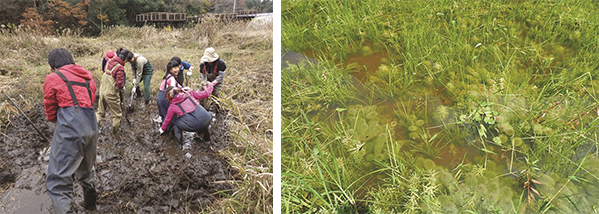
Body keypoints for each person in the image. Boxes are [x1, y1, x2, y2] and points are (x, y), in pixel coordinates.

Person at [43, 48, 99, 213]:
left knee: (58, 181)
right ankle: (90, 205)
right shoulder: (88, 77)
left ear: (53, 66)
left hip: (70, 129)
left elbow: (50, 106)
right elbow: (91, 100)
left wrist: (56, 121)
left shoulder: (53, 78)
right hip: (91, 127)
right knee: (86, 169)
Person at [96, 48, 133, 134]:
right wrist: (122, 87)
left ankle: (95, 129)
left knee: (100, 112)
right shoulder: (120, 68)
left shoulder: (110, 61)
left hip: (102, 90)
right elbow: (119, 84)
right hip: (111, 93)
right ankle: (115, 133)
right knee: (117, 116)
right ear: (125, 58)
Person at [157, 60, 182, 124]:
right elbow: (173, 91)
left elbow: (177, 85)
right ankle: (168, 131)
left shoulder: (168, 75)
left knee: (164, 115)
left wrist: (182, 88)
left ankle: (164, 129)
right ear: (170, 69)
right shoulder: (172, 78)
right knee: (170, 117)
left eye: (177, 67)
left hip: (160, 96)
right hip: (164, 98)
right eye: (174, 68)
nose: (177, 69)